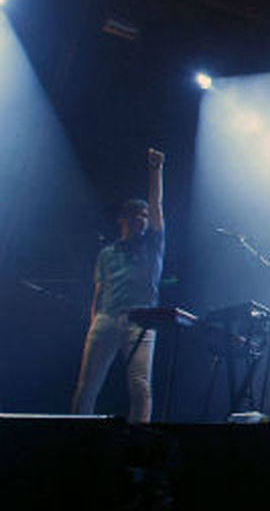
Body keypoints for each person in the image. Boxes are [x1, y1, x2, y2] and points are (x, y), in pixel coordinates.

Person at [71, 147, 165, 423]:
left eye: (145, 215)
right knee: (88, 385)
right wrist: (94, 322)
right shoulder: (107, 253)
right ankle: (74, 432)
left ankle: (139, 442)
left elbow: (158, 207)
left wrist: (155, 170)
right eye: (137, 214)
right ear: (123, 219)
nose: (142, 219)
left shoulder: (153, 245)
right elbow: (98, 291)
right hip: (107, 318)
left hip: (142, 320)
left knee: (140, 385)